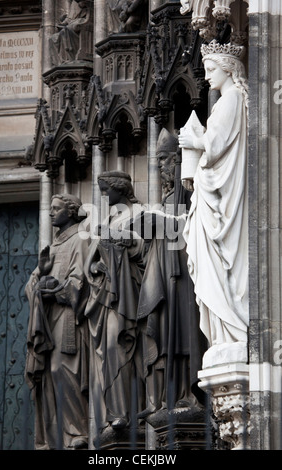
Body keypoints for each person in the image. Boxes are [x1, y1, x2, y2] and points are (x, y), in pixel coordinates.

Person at [178, 41, 249, 357]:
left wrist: (192, 139)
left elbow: (215, 143)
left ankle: (232, 327)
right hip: (214, 193)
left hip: (222, 199)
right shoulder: (228, 102)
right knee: (211, 261)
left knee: (218, 261)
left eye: (210, 70)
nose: (206, 77)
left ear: (228, 68)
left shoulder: (232, 99)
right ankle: (225, 331)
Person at [135, 129, 206, 419]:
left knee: (184, 331)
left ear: (178, 160)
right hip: (164, 276)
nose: (159, 166)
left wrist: (165, 222)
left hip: (184, 277)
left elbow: (195, 226)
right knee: (165, 333)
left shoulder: (190, 192)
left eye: (164, 159)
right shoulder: (166, 199)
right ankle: (167, 395)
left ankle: (189, 393)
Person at [25, 194, 90, 449]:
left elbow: (79, 283)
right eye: (50, 209)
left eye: (56, 209)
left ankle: (76, 432)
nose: (51, 213)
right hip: (46, 320)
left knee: (62, 370)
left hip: (67, 318)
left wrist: (54, 288)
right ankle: (52, 439)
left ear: (71, 212)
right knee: (47, 380)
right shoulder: (51, 248)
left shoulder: (80, 241)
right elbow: (28, 289)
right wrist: (41, 273)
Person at [84, 171, 145, 436]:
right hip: (107, 293)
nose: (104, 196)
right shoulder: (109, 218)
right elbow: (94, 260)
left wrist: (123, 242)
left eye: (106, 190)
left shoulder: (140, 214)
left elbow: (146, 251)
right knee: (108, 351)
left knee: (118, 344)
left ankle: (129, 411)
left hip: (129, 293)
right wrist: (98, 264)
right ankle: (114, 413)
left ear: (121, 188)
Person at [49, 0, 90, 66]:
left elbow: (87, 18)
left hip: (81, 22)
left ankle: (70, 58)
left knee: (66, 30)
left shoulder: (88, 6)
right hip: (72, 23)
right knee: (52, 38)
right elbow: (69, 18)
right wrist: (62, 23)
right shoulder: (74, 3)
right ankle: (59, 62)